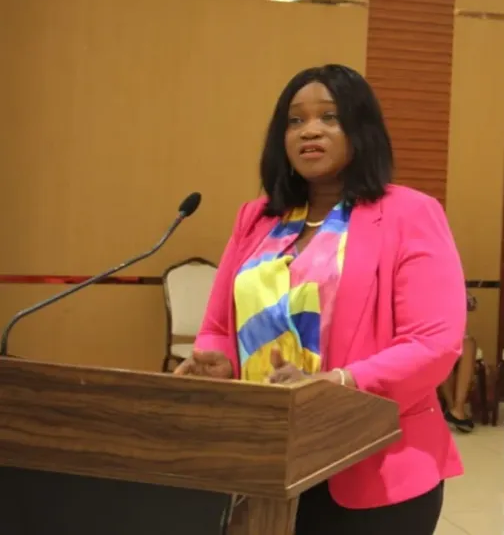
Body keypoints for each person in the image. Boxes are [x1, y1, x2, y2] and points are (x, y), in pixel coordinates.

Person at [175, 64, 467, 535]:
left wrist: (337, 383)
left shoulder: (410, 213)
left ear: (361, 129)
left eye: (329, 117)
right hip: (264, 459)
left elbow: (433, 343)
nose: (309, 130)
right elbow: (219, 327)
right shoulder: (257, 218)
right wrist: (222, 360)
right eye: (295, 120)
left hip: (374, 463)